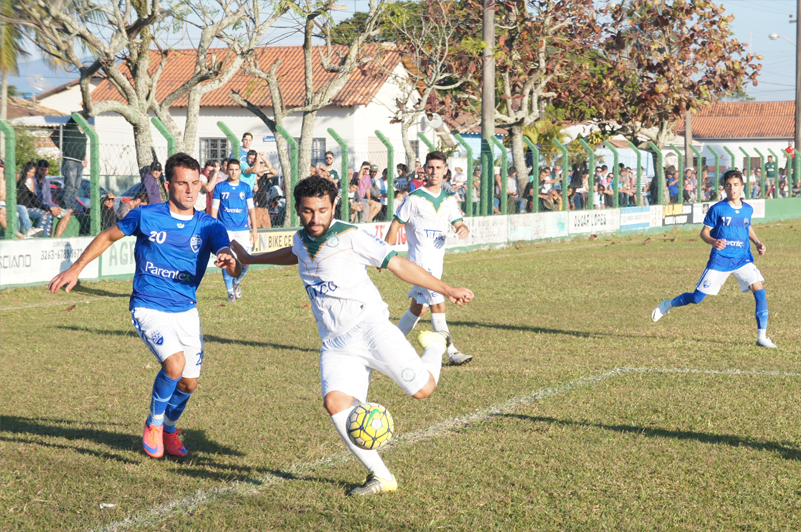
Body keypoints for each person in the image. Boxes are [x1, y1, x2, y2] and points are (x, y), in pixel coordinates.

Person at [228, 176, 474, 496]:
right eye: (306, 211)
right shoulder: (303, 238)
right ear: (298, 211)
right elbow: (294, 252)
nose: (314, 218)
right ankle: (382, 476)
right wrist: (249, 259)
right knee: (335, 402)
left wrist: (447, 289)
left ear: (333, 207)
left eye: (321, 210)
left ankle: (437, 344)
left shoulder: (351, 235)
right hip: (335, 342)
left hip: (370, 327)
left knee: (424, 390)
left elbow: (397, 263)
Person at [49, 152, 241, 459]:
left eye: (195, 183)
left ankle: (168, 429)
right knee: (174, 365)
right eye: (182, 183)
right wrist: (75, 268)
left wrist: (230, 262)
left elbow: (231, 261)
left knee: (189, 383)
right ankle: (153, 424)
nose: (190, 190)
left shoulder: (209, 226)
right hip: (148, 305)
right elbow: (108, 236)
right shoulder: (147, 215)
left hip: (186, 310)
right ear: (168, 185)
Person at [652, 170, 775, 348]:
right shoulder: (717, 209)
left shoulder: (747, 209)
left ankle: (762, 337)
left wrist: (757, 242)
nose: (732, 188)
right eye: (728, 185)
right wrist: (713, 241)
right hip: (720, 260)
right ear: (724, 187)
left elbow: (747, 226)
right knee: (696, 298)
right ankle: (668, 304)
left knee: (760, 292)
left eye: (735, 185)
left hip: (742, 259)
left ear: (742, 187)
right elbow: (704, 233)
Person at [385, 150, 473, 365]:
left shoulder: (449, 199)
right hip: (419, 264)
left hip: (437, 263)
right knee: (438, 305)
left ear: (445, 171)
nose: (434, 172)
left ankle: (387, 347)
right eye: (430, 167)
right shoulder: (414, 199)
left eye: (438, 168)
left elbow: (459, 222)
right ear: (424, 170)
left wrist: (463, 228)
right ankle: (452, 352)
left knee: (418, 308)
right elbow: (396, 224)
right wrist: (384, 252)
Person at [211, 158, 257, 302]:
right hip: (225, 229)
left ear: (240, 171)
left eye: (236, 169)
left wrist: (254, 229)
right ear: (226, 170)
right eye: (231, 169)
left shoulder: (245, 188)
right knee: (227, 259)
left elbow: (251, 209)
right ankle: (230, 292)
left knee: (246, 260)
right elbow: (214, 210)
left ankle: (236, 282)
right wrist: (214, 228)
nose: (234, 172)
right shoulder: (220, 187)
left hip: (243, 229)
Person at [55, 116, 88, 213]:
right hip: (70, 161)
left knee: (76, 186)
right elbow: (74, 117)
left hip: (79, 162)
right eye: (83, 120)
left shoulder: (84, 133)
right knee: (70, 185)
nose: (85, 122)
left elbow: (83, 147)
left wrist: (85, 159)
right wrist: (84, 112)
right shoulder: (71, 129)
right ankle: (67, 206)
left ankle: (73, 207)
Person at [34, 160, 72, 237]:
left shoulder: (46, 182)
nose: (44, 172)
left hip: (49, 206)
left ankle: (57, 238)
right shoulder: (33, 181)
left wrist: (57, 207)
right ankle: (50, 237)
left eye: (46, 170)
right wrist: (50, 208)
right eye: (42, 170)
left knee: (67, 214)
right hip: (38, 206)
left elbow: (48, 199)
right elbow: (34, 200)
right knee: (50, 213)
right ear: (37, 169)